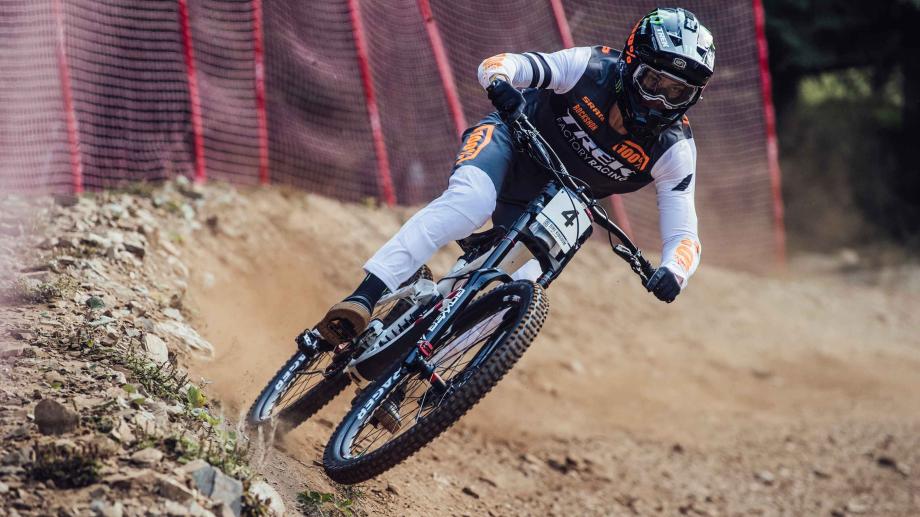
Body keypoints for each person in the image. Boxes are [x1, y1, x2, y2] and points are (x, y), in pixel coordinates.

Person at [317, 7, 715, 345]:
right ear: (629, 63)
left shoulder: (674, 150)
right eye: (652, 82)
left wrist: (674, 271)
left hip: (552, 202)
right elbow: (501, 63)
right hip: (510, 145)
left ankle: (419, 373)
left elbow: (685, 235)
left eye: (676, 93)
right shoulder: (587, 67)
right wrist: (501, 84)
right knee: (469, 203)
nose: (659, 101)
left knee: (520, 290)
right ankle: (364, 298)